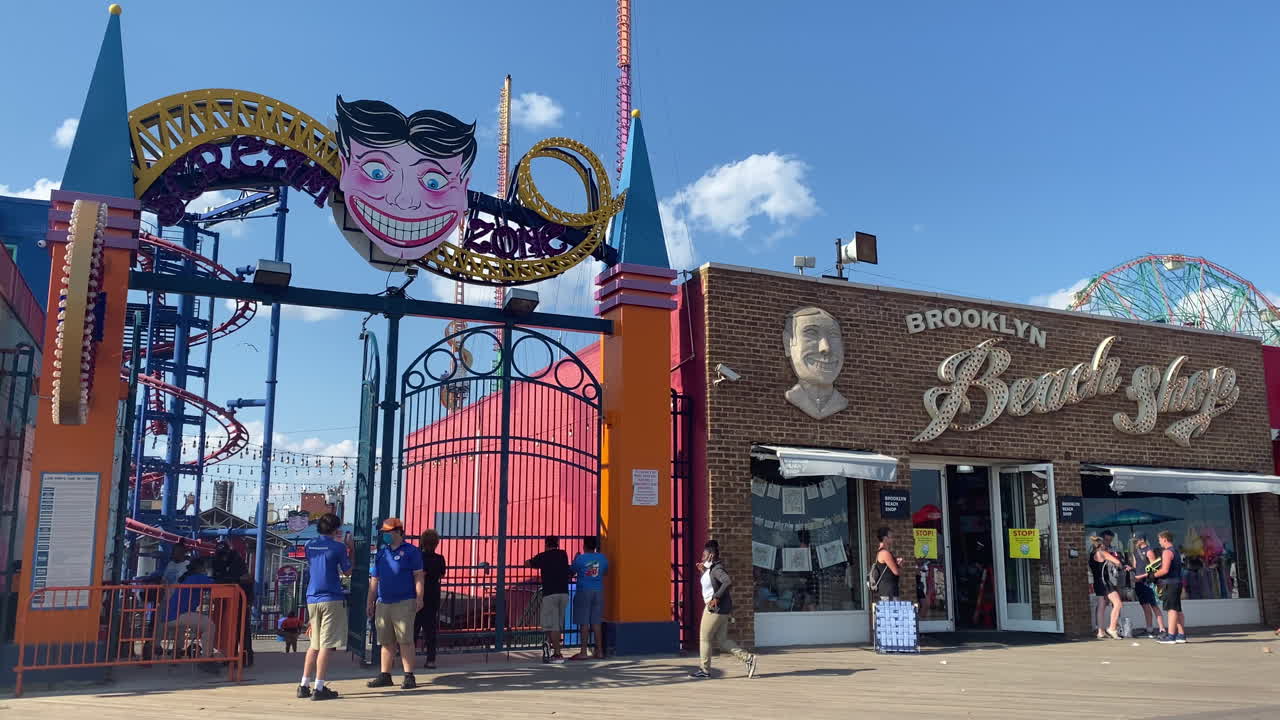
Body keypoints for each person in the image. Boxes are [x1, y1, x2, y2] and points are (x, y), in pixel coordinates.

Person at [367, 518, 425, 690]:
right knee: (386, 641)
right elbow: (374, 579)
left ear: (399, 532)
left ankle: (409, 676)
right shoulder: (381, 553)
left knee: (405, 640)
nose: (385, 535)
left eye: (388, 532)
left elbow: (419, 576)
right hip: (383, 602)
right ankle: (385, 674)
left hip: (404, 601)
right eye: (383, 532)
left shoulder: (412, 552)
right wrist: (370, 601)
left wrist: (419, 597)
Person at [299, 513, 352, 700]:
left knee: (314, 644)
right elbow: (347, 571)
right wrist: (350, 549)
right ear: (336, 529)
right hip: (331, 597)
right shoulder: (338, 547)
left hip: (312, 597)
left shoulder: (309, 545)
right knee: (326, 645)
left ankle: (303, 684)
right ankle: (319, 687)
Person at [689, 540, 757, 679]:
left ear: (711, 555)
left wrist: (716, 597)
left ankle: (704, 670)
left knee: (704, 638)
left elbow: (727, 581)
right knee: (722, 640)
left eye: (704, 554)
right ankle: (748, 658)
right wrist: (703, 571)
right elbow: (710, 584)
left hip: (714, 608)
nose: (702, 556)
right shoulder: (711, 569)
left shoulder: (717, 569)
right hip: (720, 609)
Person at [158, 557, 217, 669]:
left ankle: (175, 657)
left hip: (171, 615)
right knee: (209, 625)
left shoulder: (188, 578)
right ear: (200, 568)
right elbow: (216, 584)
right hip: (179, 614)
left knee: (193, 626)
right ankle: (206, 659)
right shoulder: (197, 577)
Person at [526, 535, 571, 664]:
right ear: (557, 544)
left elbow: (528, 563)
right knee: (556, 624)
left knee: (552, 624)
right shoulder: (563, 554)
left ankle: (557, 654)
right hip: (563, 593)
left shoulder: (543, 556)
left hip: (550, 593)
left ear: (546, 544)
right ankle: (549, 645)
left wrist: (536, 565)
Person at [212, 538, 255, 667]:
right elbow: (217, 577)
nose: (223, 557)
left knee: (242, 629)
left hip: (241, 599)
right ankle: (229, 655)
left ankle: (245, 657)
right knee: (227, 628)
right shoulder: (218, 560)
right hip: (225, 599)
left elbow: (245, 579)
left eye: (224, 554)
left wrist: (231, 580)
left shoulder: (237, 560)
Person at [570, 536, 609, 660]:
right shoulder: (603, 558)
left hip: (584, 591)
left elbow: (571, 572)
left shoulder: (580, 559)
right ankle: (600, 651)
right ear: (596, 546)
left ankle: (583, 652)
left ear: (584, 545)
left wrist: (575, 559)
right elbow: (605, 572)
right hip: (598, 591)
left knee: (584, 622)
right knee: (597, 622)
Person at [415, 528, 447, 669]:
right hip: (433, 595)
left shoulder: (418, 557)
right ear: (436, 543)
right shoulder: (440, 559)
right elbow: (442, 574)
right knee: (430, 629)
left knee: (413, 629)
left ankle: (408, 658)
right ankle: (431, 659)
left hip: (417, 594)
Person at [1090, 531, 1128, 639]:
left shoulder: (1092, 554)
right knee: (1118, 603)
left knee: (1101, 605)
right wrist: (1121, 566)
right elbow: (1117, 562)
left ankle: (1100, 631)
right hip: (1105, 582)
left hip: (1097, 582)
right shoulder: (1103, 553)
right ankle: (1112, 628)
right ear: (1101, 544)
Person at [1152, 530, 1186, 644]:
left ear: (1165, 539)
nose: (1159, 542)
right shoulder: (1176, 551)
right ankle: (1181, 635)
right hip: (1177, 582)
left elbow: (1165, 570)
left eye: (1159, 540)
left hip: (1170, 583)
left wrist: (1153, 575)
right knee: (1177, 609)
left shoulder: (1167, 552)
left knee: (1171, 610)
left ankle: (1171, 636)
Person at [1131, 535, 1167, 638]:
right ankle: (1149, 630)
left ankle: (1162, 629)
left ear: (1142, 540)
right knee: (1145, 606)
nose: (1135, 542)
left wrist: (1141, 576)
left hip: (1148, 582)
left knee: (1154, 605)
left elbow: (1154, 568)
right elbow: (1135, 567)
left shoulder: (1149, 551)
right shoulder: (1135, 552)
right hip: (1139, 583)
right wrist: (1131, 569)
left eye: (1136, 540)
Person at [872, 527, 902, 601]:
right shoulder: (885, 553)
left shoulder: (881, 552)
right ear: (885, 538)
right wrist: (899, 565)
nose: (892, 539)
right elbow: (896, 572)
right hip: (888, 591)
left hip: (888, 590)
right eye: (891, 537)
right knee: (893, 612)